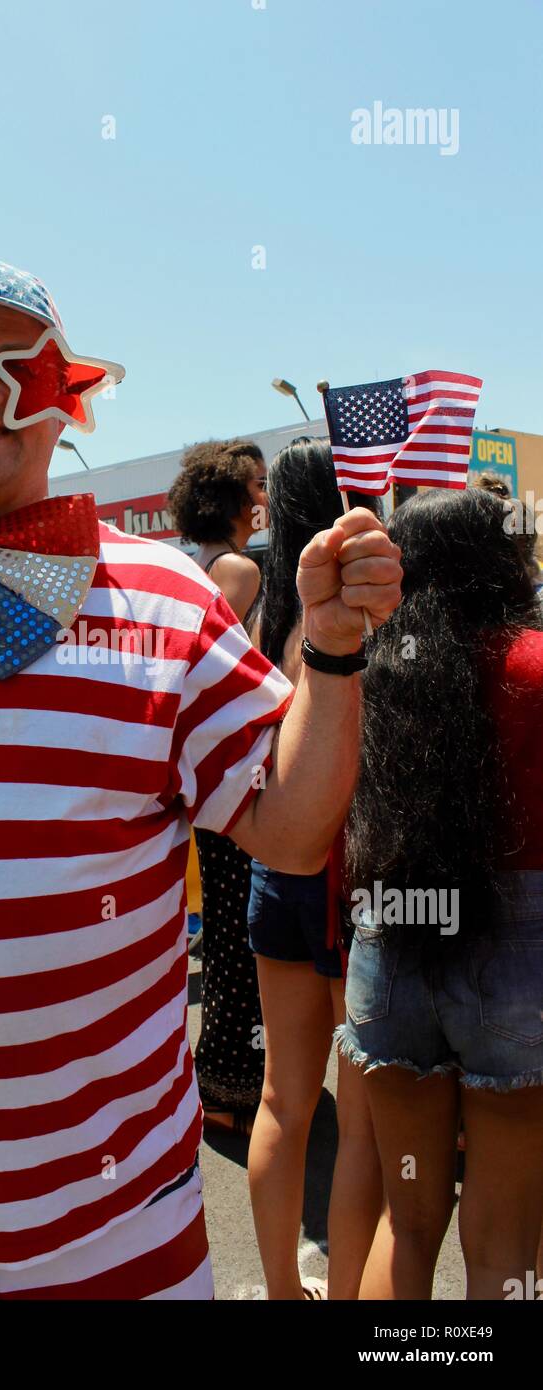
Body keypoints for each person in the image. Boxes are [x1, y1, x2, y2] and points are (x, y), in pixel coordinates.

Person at [0, 257, 401, 1301]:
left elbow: (285, 830)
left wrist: (329, 650)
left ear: (68, 396)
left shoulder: (166, 597)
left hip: (119, 1242)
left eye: (18, 363)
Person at [338, 486, 543, 1301]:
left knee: (409, 1220)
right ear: (504, 558)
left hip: (390, 943)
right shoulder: (532, 662)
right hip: (519, 967)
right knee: (503, 1243)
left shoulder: (366, 665)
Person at [245, 439, 382, 1299]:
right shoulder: (358, 611)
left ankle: (279, 1291)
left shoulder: (262, 613)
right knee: (361, 1125)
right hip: (352, 880)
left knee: (282, 1102)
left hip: (277, 870)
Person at [167, 440, 269, 1134]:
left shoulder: (182, 560)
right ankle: (231, 1087)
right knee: (239, 931)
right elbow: (209, 661)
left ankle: (222, 1080)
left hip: (191, 774)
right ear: (234, 501)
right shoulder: (235, 569)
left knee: (228, 929)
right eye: (254, 490)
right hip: (228, 770)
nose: (261, 502)